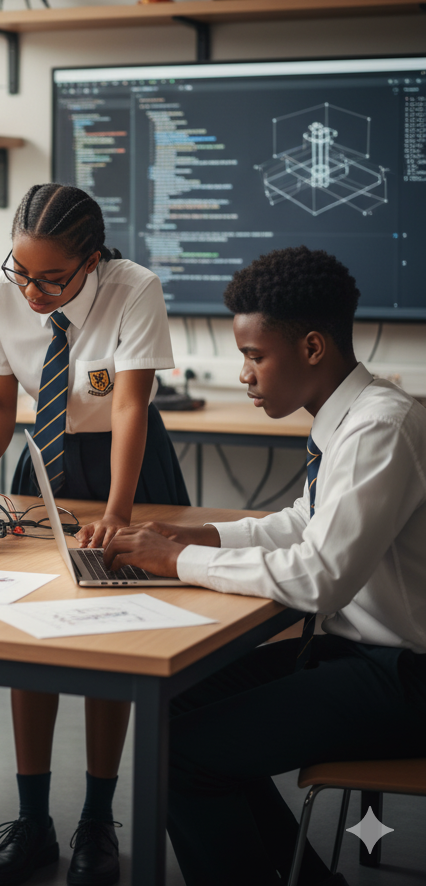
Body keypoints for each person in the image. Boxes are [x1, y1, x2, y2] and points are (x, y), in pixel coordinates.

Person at [104, 246, 426, 886]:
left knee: (184, 757)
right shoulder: (348, 419)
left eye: (255, 357)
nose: (244, 375)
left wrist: (179, 561)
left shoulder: (382, 429)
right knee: (175, 699)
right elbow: (304, 525)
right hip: (353, 656)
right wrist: (198, 535)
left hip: (403, 679)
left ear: (312, 348)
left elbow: (319, 576)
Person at [0, 183, 188, 886]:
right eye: (21, 272)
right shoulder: (5, 297)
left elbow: (129, 405)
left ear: (91, 260)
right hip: (43, 464)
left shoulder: (133, 288)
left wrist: (118, 511)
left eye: (52, 278)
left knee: (104, 645)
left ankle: (96, 819)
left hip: (127, 465)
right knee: (34, 633)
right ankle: (31, 821)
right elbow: (0, 400)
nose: (32, 290)